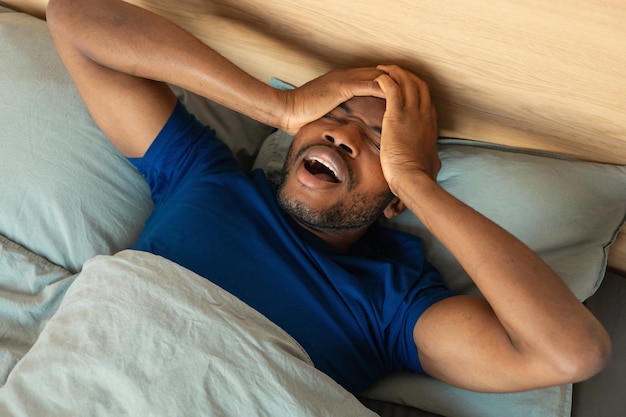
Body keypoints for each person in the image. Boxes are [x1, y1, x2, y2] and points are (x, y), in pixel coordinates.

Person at [47, 0, 610, 395]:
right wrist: (280, 108)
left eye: (378, 144)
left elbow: (569, 353)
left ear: (396, 202)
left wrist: (416, 180)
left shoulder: (392, 306)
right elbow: (74, 15)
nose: (343, 135)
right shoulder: (202, 176)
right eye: (334, 117)